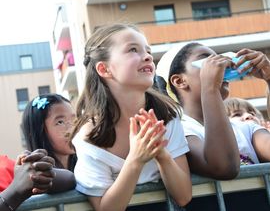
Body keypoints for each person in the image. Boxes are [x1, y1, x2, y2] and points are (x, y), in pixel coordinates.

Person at [71, 23, 192, 211]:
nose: (148, 56)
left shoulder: (166, 114)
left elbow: (183, 196)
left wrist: (161, 154)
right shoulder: (89, 137)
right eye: (133, 50)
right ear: (104, 69)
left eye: (148, 51)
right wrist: (136, 159)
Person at [157, 43, 270, 211]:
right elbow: (224, 167)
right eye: (206, 60)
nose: (221, 62)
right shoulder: (178, 132)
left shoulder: (244, 127)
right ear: (180, 81)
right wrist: (210, 88)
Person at [22, 93, 77, 171]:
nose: (73, 128)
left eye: (74, 120)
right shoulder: (38, 177)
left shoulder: (87, 166)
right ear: (39, 132)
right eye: (60, 122)